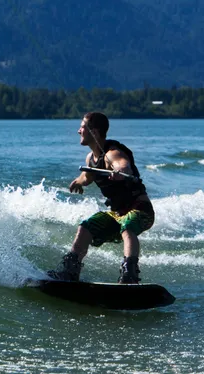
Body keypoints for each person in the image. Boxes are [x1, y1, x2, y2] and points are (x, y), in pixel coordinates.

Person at [48, 112, 154, 284]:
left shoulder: (112, 153)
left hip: (141, 210)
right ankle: (70, 271)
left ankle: (130, 275)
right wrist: (78, 182)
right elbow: (87, 176)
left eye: (82, 127)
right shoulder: (90, 158)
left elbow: (123, 164)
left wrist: (120, 171)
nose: (78, 131)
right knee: (86, 227)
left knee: (128, 226)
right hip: (117, 214)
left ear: (94, 132)